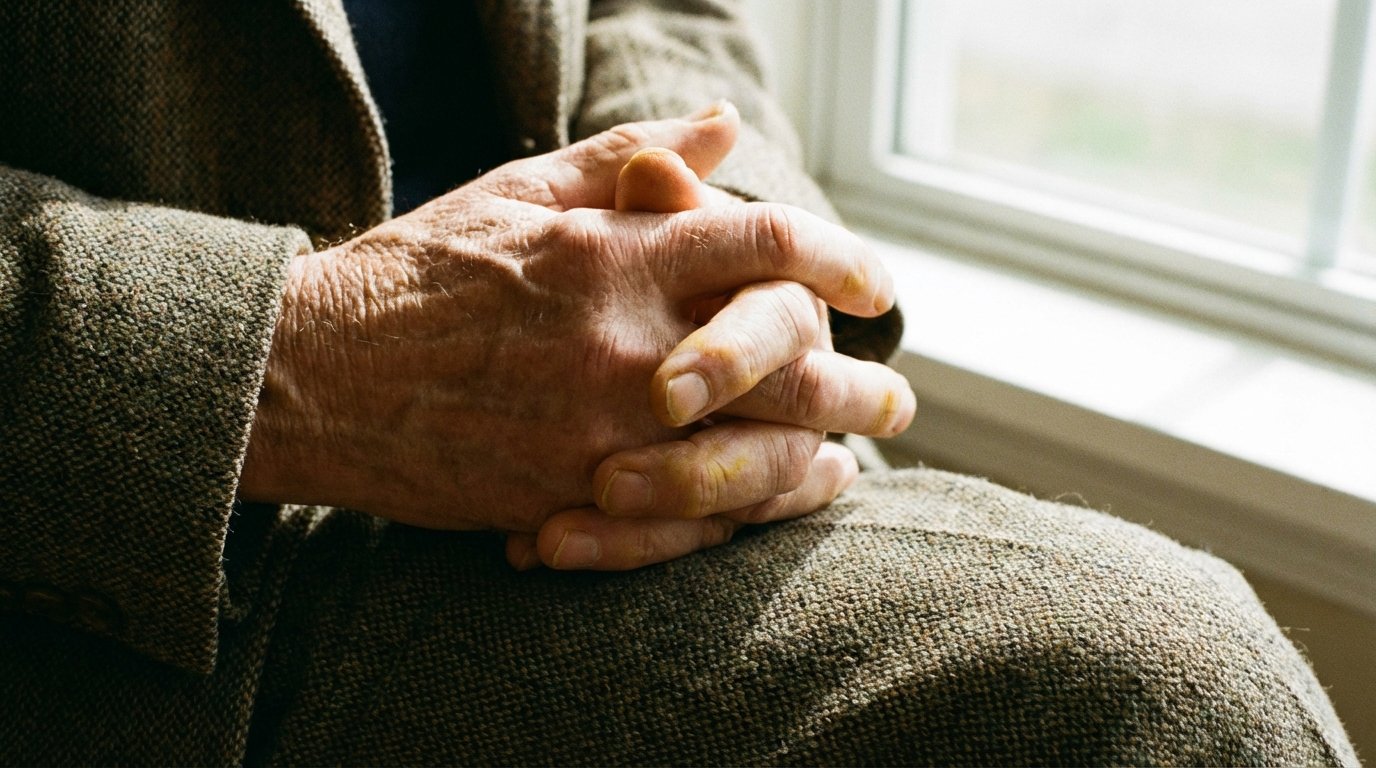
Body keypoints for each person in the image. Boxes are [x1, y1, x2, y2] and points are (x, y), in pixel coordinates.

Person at [0, 1, 1357, 764]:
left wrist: (725, 236)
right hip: (130, 581)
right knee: (1164, 701)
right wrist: (311, 357)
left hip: (594, 452)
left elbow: (660, 13)